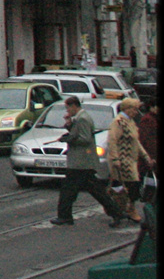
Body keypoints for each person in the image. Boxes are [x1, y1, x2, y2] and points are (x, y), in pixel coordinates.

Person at [50, 96, 128, 227]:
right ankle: (116, 212)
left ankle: (64, 216)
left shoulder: (83, 118)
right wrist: (69, 125)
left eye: (68, 108)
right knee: (95, 190)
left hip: (80, 162)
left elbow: (85, 139)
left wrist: (68, 139)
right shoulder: (80, 118)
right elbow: (79, 133)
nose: (67, 111)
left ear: (74, 106)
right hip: (81, 162)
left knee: (68, 190)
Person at [106, 97, 151, 223]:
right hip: (122, 158)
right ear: (128, 109)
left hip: (131, 159)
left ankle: (122, 209)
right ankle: (127, 209)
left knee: (125, 185)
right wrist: (115, 159)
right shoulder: (119, 122)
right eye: (135, 109)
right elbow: (112, 141)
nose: (137, 112)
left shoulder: (130, 121)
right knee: (130, 184)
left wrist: (146, 156)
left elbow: (136, 142)